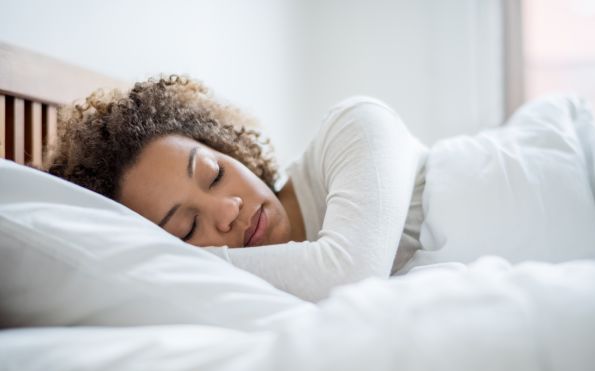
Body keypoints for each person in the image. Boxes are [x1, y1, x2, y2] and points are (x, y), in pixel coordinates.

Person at [45, 75, 428, 301]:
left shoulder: (354, 126)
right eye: (188, 229)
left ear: (228, 148)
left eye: (214, 174)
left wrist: (177, 261)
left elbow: (349, 275)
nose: (228, 210)